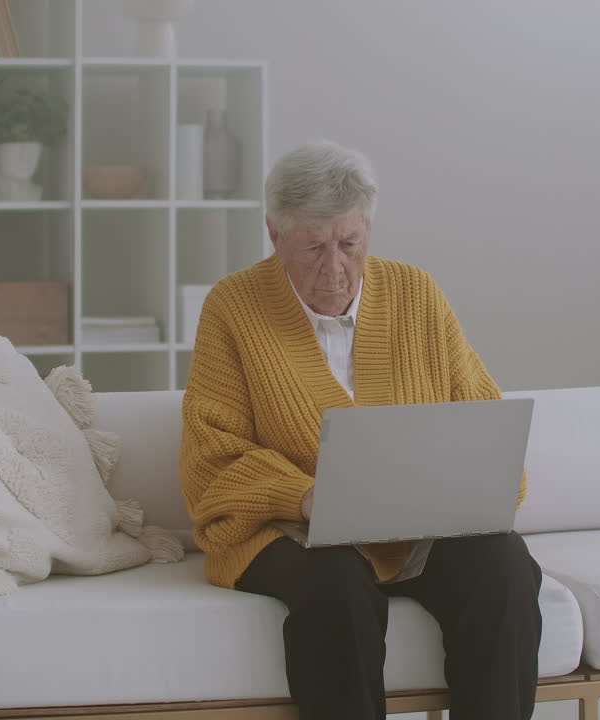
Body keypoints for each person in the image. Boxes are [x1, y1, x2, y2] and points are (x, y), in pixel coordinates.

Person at [179, 140, 542, 720]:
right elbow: (212, 459)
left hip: (418, 528)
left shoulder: (416, 294)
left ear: (368, 230)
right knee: (336, 582)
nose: (335, 267)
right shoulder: (233, 307)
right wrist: (303, 497)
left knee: (504, 564)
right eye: (313, 247)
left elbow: (480, 418)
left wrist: (475, 490)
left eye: (349, 244)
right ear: (275, 236)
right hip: (290, 531)